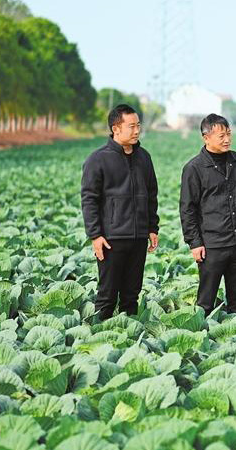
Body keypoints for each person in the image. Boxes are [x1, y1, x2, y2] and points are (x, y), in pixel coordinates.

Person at [81, 104, 159, 320]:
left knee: (131, 295)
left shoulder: (144, 157)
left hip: (138, 238)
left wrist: (152, 227)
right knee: (107, 294)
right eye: (131, 126)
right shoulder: (97, 160)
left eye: (138, 126)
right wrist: (95, 235)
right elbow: (89, 200)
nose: (137, 131)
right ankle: (99, 337)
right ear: (116, 128)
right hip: (111, 239)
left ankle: (130, 339)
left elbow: (151, 194)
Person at [179, 114, 236, 317]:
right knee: (206, 299)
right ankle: (202, 337)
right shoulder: (194, 168)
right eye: (221, 136)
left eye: (229, 134)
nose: (227, 139)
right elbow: (187, 208)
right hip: (211, 244)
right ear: (206, 138)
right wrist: (194, 243)